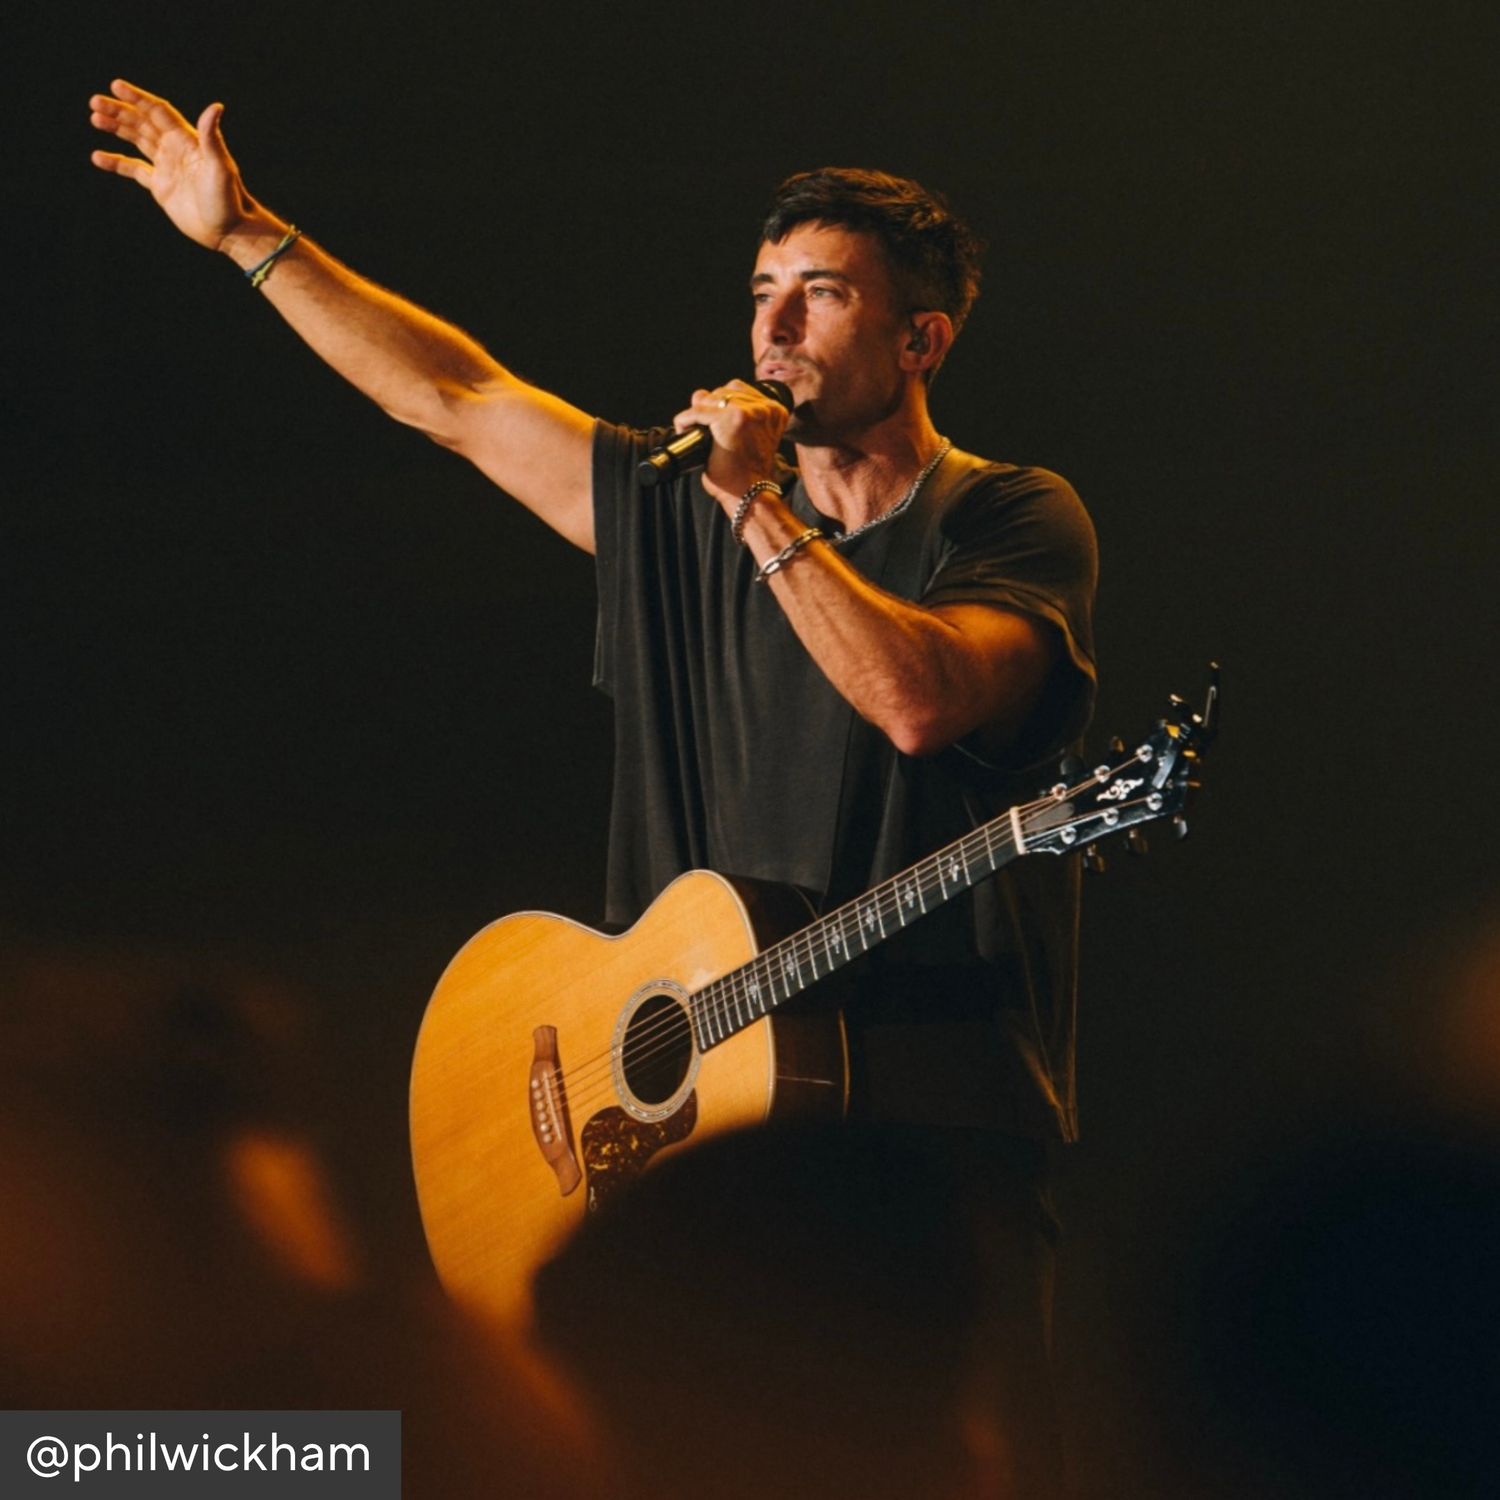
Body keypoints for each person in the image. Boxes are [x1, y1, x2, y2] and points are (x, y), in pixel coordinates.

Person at [90, 78, 1098, 1497]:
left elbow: (920, 703)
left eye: (819, 297)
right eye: (762, 293)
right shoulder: (676, 513)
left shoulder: (1005, 517)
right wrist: (249, 233)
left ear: (920, 338)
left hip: (926, 1171)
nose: (771, 329)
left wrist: (756, 505)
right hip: (702, 1165)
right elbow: (458, 398)